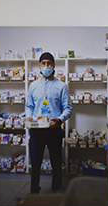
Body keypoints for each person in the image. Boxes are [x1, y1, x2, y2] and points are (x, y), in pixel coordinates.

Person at [25, 52, 72, 193]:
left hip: (54, 130)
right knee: (35, 162)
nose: (46, 66)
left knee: (56, 162)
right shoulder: (33, 86)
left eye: (49, 63)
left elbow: (68, 108)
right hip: (37, 129)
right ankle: (34, 189)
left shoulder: (62, 86)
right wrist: (28, 116)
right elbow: (29, 106)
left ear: (54, 66)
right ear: (39, 66)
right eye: (43, 63)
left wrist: (59, 120)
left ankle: (56, 188)